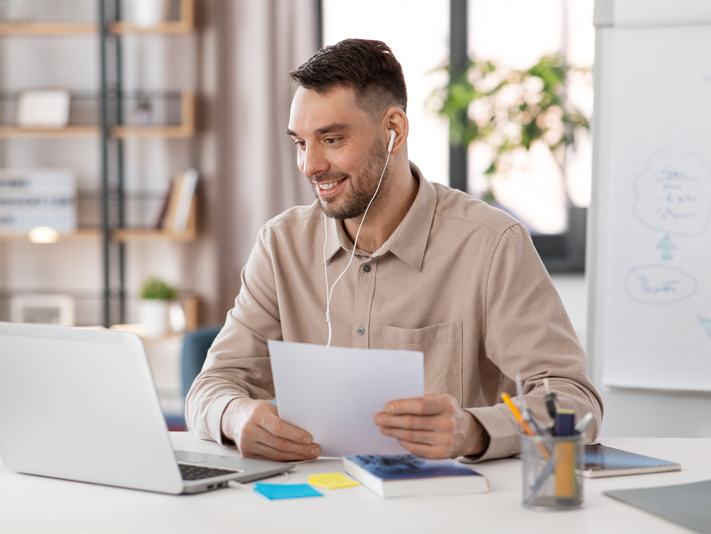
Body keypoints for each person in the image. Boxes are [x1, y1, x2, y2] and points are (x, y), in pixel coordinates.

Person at [186, 39, 602, 462]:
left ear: (394, 131)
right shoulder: (281, 245)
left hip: (448, 510)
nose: (310, 166)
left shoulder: (491, 244)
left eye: (330, 140)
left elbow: (573, 400)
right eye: (300, 143)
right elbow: (212, 385)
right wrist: (234, 416)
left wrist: (475, 430)